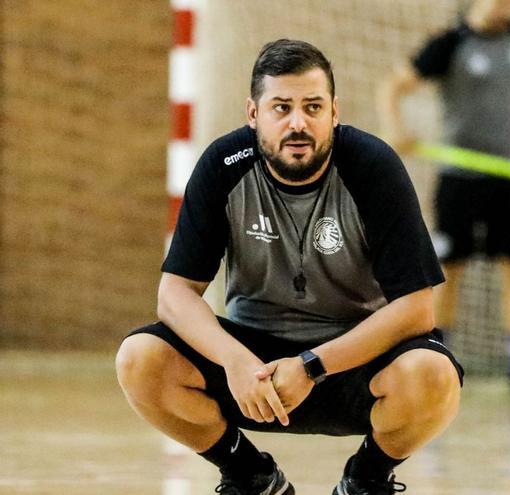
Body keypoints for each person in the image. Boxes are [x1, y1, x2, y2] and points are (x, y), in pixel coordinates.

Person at [115, 39, 463, 495]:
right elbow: (174, 294)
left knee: (433, 377)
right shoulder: (223, 166)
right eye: (281, 107)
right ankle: (249, 476)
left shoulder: (373, 167)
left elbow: (417, 310)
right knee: (140, 360)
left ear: (334, 113)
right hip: (253, 369)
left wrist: (312, 366)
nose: (298, 123)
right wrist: (234, 360)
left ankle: (366, 480)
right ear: (253, 113)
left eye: (312, 107)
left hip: (351, 361)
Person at [377, 0, 510, 396]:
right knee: (447, 271)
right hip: (460, 179)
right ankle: (436, 356)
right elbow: (393, 84)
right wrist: (396, 128)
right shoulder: (449, 44)